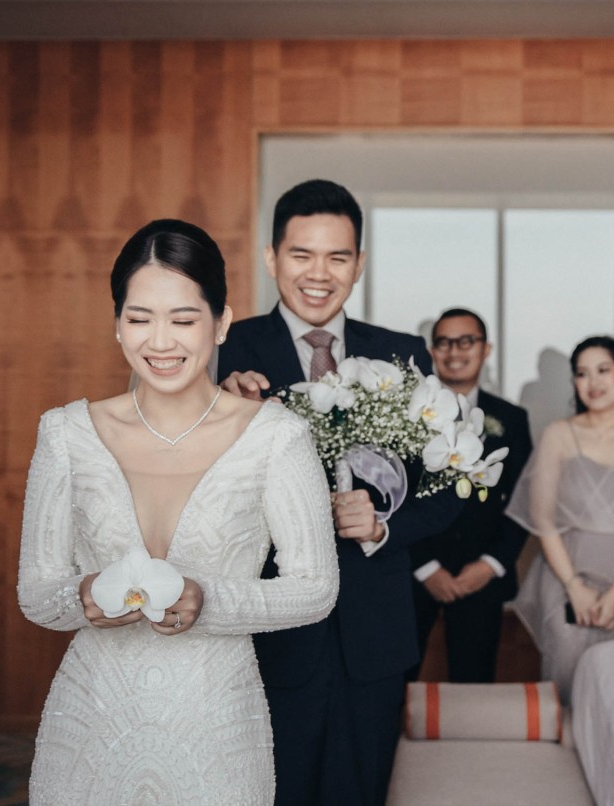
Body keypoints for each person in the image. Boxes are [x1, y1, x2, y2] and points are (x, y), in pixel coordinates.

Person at [17, 220, 339, 805]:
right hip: (91, 725)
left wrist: (207, 600)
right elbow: (36, 594)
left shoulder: (276, 437)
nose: (160, 342)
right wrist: (81, 596)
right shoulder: (66, 433)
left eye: (184, 320)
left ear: (221, 323)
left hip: (217, 728)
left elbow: (316, 589)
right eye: (140, 318)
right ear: (117, 324)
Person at [216, 179, 462, 806]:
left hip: (373, 631)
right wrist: (221, 413)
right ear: (271, 258)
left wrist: (383, 526)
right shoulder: (225, 355)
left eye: (337, 257)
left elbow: (449, 490)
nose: (319, 274)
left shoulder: (404, 355)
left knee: (363, 791)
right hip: (266, 628)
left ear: (359, 263)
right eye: (301, 254)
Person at [509, 336, 614, 703]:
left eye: (603, 370)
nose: (593, 382)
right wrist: (573, 586)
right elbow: (544, 520)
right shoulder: (558, 434)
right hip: (566, 574)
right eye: (582, 374)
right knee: (567, 682)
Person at [408, 308, 534, 683]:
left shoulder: (511, 418)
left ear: (485, 349)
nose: (455, 351)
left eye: (466, 341)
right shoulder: (408, 414)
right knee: (395, 685)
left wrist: (491, 564)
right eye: (444, 342)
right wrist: (425, 567)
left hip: (481, 573)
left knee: (474, 682)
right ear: (432, 351)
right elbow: (392, 497)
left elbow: (524, 498)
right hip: (414, 572)